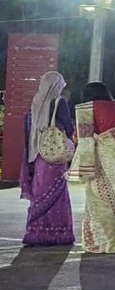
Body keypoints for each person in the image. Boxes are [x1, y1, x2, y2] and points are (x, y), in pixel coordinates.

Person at [69, 82, 115, 253]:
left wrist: (83, 170)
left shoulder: (86, 109)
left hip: (105, 162)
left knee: (98, 201)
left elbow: (85, 142)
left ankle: (98, 244)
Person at [19, 71, 75, 247]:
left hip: (38, 155)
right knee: (57, 195)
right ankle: (57, 234)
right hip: (54, 155)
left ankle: (36, 233)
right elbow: (69, 128)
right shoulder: (59, 102)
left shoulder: (36, 102)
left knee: (40, 194)